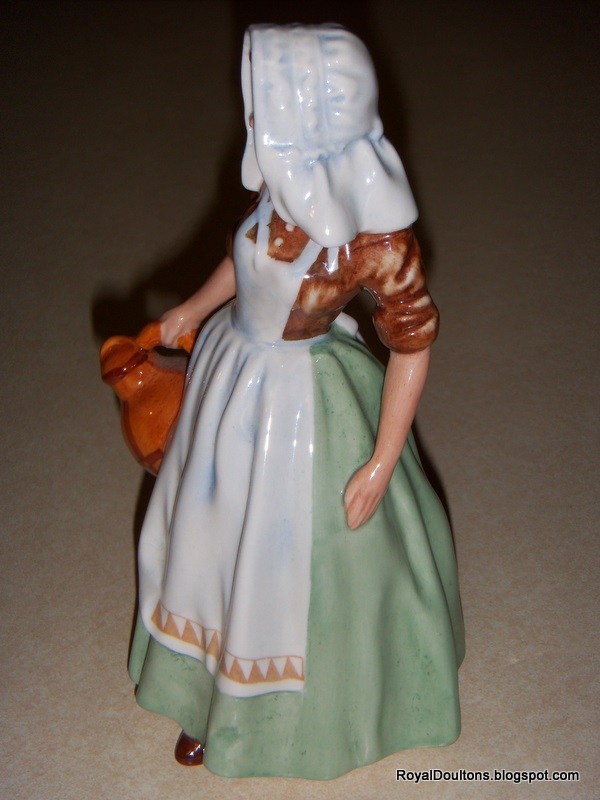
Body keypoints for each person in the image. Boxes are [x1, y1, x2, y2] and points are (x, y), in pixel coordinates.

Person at [128, 23, 464, 780]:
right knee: (207, 534)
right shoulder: (276, 195)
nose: (252, 124)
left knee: (289, 563)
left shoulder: (373, 242)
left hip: (301, 407)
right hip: (232, 374)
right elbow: (240, 259)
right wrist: (191, 309)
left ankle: (299, 718)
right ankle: (199, 693)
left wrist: (381, 461)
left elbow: (412, 343)